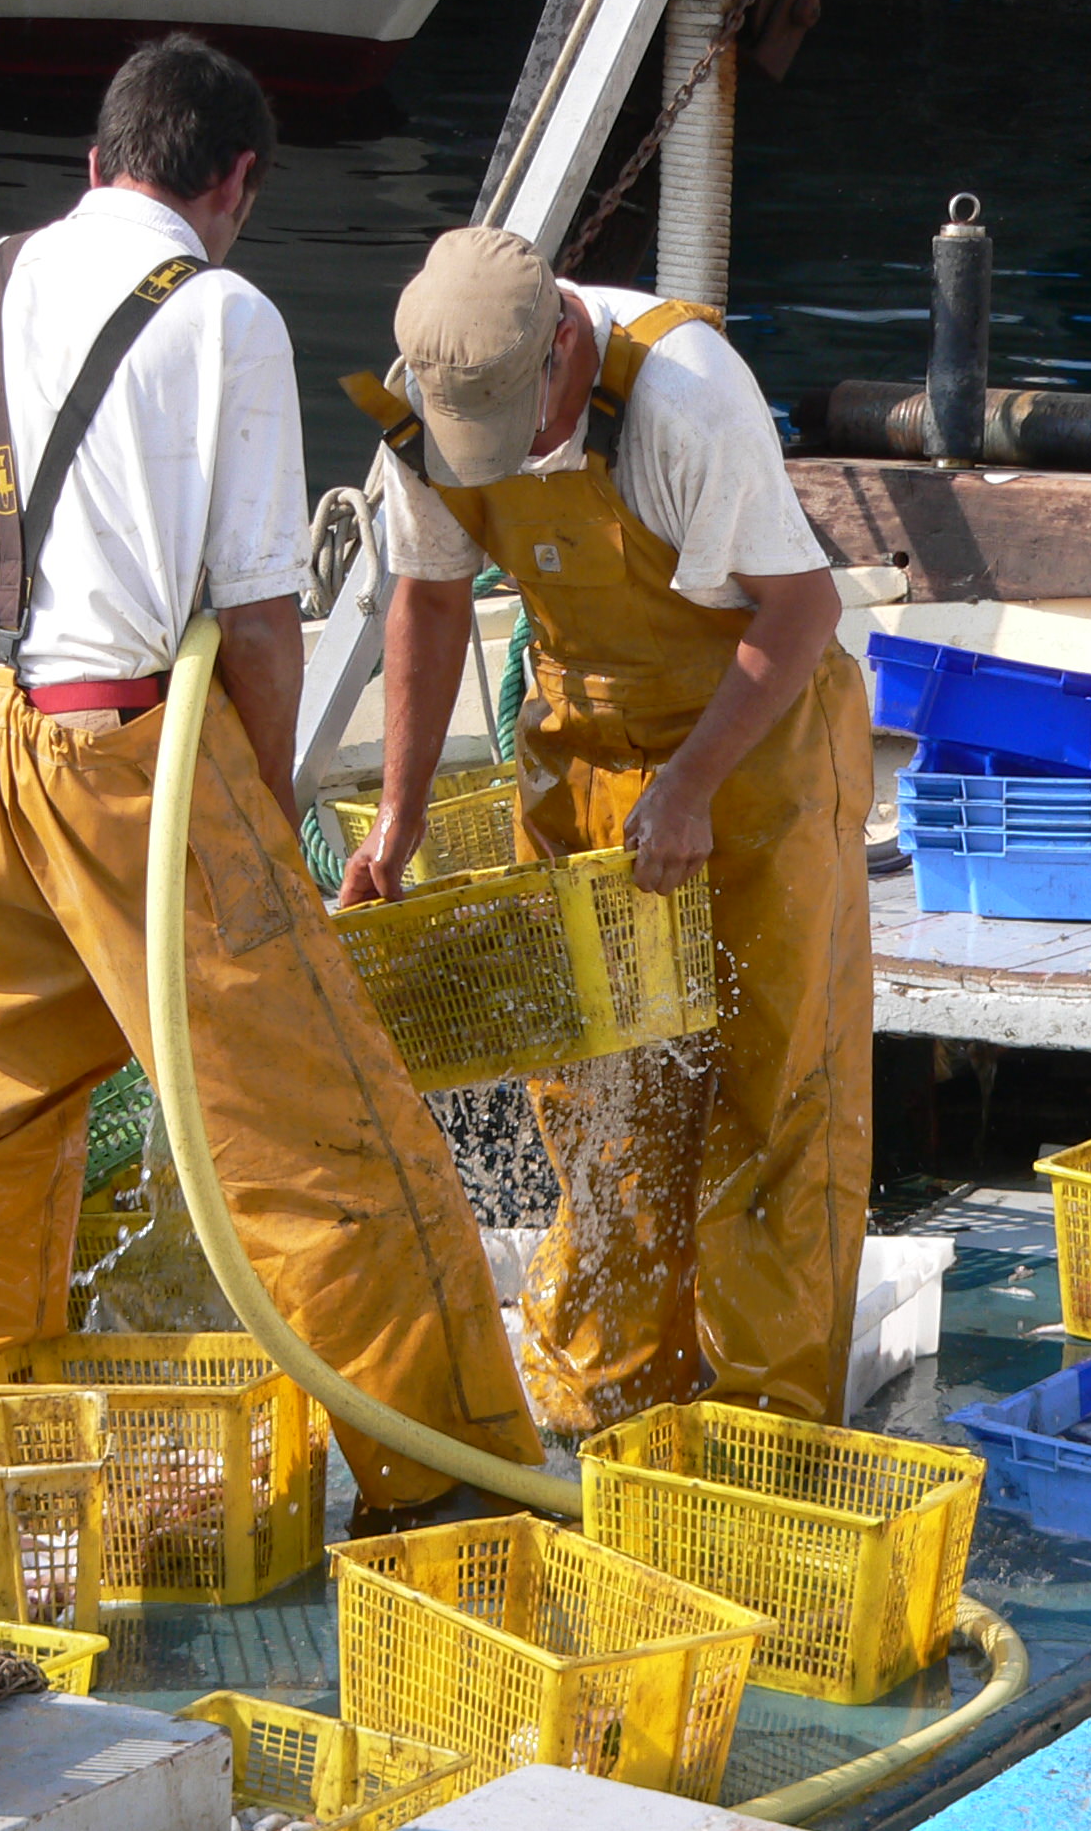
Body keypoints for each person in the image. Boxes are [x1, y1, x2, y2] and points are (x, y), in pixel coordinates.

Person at [0, 38, 541, 1515]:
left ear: (96, 164)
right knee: (329, 1143)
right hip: (129, 770)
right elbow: (261, 629)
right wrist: (261, 831)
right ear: (238, 183)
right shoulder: (223, 315)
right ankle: (453, 1494)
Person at [338, 227, 873, 1435]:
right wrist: (399, 819)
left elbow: (800, 610)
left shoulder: (685, 397)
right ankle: (610, 1395)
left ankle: (763, 1413)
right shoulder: (433, 396)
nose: (501, 455)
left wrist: (688, 787)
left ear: (562, 346)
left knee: (772, 1078)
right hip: (580, 739)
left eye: (517, 426)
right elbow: (429, 597)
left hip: (756, 744)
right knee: (594, 1086)